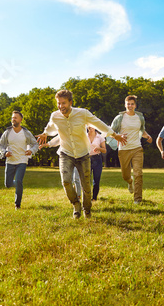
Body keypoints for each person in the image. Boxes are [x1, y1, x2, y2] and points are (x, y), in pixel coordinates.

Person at [37, 90, 126, 219]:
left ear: (71, 102)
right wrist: (45, 133)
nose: (61, 106)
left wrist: (114, 134)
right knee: (66, 181)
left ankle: (87, 209)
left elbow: (99, 123)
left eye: (64, 103)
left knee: (86, 185)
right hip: (65, 153)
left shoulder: (82, 114)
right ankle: (76, 204)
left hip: (83, 154)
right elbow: (50, 127)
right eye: (58, 103)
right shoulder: (55, 116)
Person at [110, 95, 153, 204]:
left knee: (138, 173)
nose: (130, 106)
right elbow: (110, 132)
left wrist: (147, 136)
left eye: (132, 104)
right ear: (125, 105)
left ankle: (137, 199)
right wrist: (117, 137)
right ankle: (130, 182)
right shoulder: (119, 118)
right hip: (123, 149)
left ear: (135, 105)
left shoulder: (140, 117)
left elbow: (142, 131)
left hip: (137, 148)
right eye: (128, 104)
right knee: (125, 176)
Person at [0, 111, 39, 210]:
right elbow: (1, 145)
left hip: (22, 160)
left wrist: (31, 151)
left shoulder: (26, 133)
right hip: (10, 161)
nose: (13, 119)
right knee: (8, 184)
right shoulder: (7, 132)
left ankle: (17, 204)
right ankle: (18, 185)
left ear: (21, 120)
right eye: (12, 118)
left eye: (16, 118)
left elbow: (35, 144)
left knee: (19, 181)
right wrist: (4, 153)